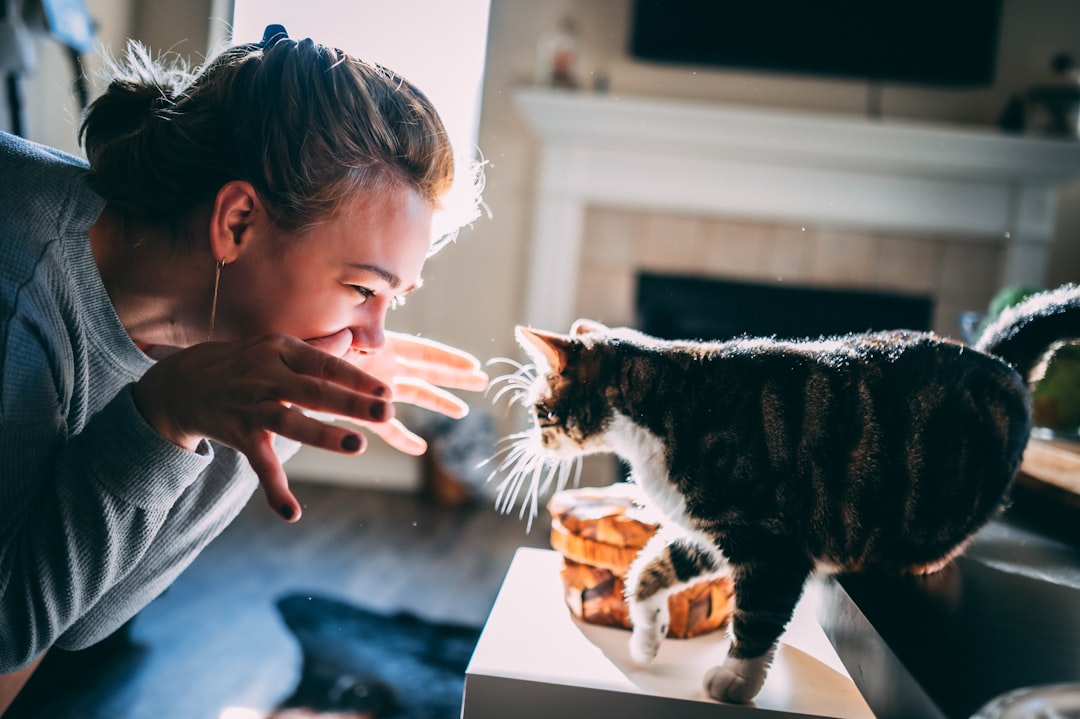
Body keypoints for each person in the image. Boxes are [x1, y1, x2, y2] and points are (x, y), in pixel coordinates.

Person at [0, 24, 489, 709]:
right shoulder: (19, 298)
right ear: (236, 223)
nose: (374, 336)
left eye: (393, 299)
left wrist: (260, 407)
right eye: (361, 290)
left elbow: (89, 621)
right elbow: (10, 633)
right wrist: (160, 413)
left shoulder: (190, 328)